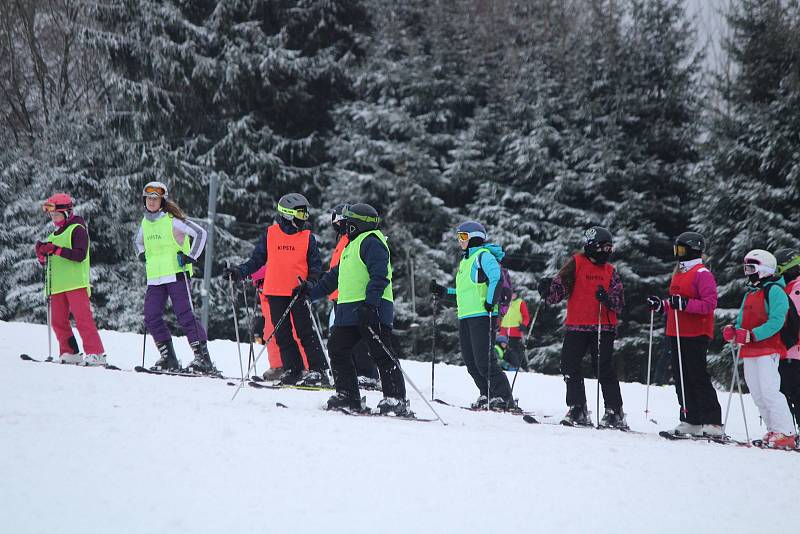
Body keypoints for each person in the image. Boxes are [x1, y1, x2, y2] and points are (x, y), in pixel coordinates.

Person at [308, 203, 409, 414]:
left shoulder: (372, 242)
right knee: (337, 348)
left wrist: (370, 304)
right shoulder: (350, 246)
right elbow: (334, 277)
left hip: (371, 309)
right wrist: (309, 293)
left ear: (357, 223)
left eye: (348, 221)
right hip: (349, 311)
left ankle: (395, 398)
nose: (344, 225)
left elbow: (380, 276)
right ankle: (347, 395)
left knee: (381, 352)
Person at [226, 193, 329, 387]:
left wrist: (311, 283)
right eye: (301, 213)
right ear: (288, 214)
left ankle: (318, 370)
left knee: (305, 332)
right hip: (274, 291)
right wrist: (240, 272)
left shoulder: (307, 237)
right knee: (282, 334)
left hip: (297, 292)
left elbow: (315, 266)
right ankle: (293, 369)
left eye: (306, 213)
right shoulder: (271, 234)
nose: (305, 217)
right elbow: (257, 260)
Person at [537, 226, 626, 428]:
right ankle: (578, 407)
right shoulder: (576, 264)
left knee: (603, 368)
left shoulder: (610, 271)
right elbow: (558, 291)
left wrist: (608, 299)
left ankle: (615, 411)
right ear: (591, 246)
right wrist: (546, 289)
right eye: (602, 248)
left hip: (603, 326)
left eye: (609, 248)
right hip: (577, 325)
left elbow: (619, 302)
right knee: (569, 365)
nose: (606, 252)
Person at [430, 221, 515, 410]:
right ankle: (487, 393)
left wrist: (490, 302)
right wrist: (443, 292)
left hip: (483, 316)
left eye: (463, 237)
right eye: (459, 237)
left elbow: (496, 278)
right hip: (466, 316)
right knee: (471, 362)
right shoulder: (465, 261)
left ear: (474, 238)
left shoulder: (483, 256)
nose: (460, 241)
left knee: (484, 361)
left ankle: (503, 398)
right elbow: (464, 292)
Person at [646, 232, 722, 437]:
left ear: (692, 250)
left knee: (697, 376)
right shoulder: (679, 272)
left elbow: (709, 304)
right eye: (676, 249)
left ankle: (713, 421)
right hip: (676, 331)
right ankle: (691, 419)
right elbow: (675, 302)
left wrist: (685, 304)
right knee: (681, 377)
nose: (677, 253)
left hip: (695, 332)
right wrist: (662, 306)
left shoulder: (702, 273)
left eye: (681, 249)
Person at [135, 181, 215, 373]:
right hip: (155, 278)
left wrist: (191, 256)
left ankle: (203, 359)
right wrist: (141, 253)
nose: (152, 202)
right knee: (151, 316)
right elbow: (137, 242)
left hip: (177, 274)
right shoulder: (145, 223)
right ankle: (168, 358)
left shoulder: (173, 220)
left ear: (162, 201)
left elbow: (201, 233)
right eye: (148, 198)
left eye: (156, 199)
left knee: (185, 316)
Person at [723, 249, 797, 449]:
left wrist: (753, 334)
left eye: (751, 267)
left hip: (768, 347)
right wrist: (735, 332)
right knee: (757, 392)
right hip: (750, 349)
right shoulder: (751, 292)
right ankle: (774, 429)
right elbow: (741, 320)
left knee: (770, 389)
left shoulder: (775, 291)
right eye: (745, 267)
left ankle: (787, 432)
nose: (747, 272)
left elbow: (777, 320)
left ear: (764, 269)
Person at [35, 193, 107, 365]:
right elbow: (47, 261)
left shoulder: (78, 229)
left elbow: (79, 255)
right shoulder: (53, 235)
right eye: (52, 216)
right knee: (58, 321)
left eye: (57, 215)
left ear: (67, 212)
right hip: (57, 285)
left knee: (83, 319)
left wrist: (56, 249)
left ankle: (96, 353)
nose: (54, 219)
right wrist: (42, 254)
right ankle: (70, 352)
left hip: (75, 283)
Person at [328, 203, 380, 390]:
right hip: (341, 296)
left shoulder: (354, 240)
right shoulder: (344, 240)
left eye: (341, 220)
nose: (338, 224)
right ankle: (351, 376)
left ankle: (367, 373)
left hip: (353, 296)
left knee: (357, 340)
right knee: (340, 341)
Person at [776, 249, 800, 423]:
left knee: (793, 390)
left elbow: (791, 316)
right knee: (785, 389)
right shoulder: (788, 287)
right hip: (787, 348)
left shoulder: (797, 288)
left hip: (794, 348)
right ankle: (788, 428)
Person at [499, 292, 530, 370]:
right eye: (511, 293)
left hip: (516, 331)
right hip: (504, 331)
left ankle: (521, 367)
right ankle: (505, 367)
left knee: (516, 351)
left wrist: (524, 324)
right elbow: (500, 315)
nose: (512, 295)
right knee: (503, 350)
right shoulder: (504, 301)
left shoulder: (520, 302)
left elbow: (526, 316)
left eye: (514, 293)